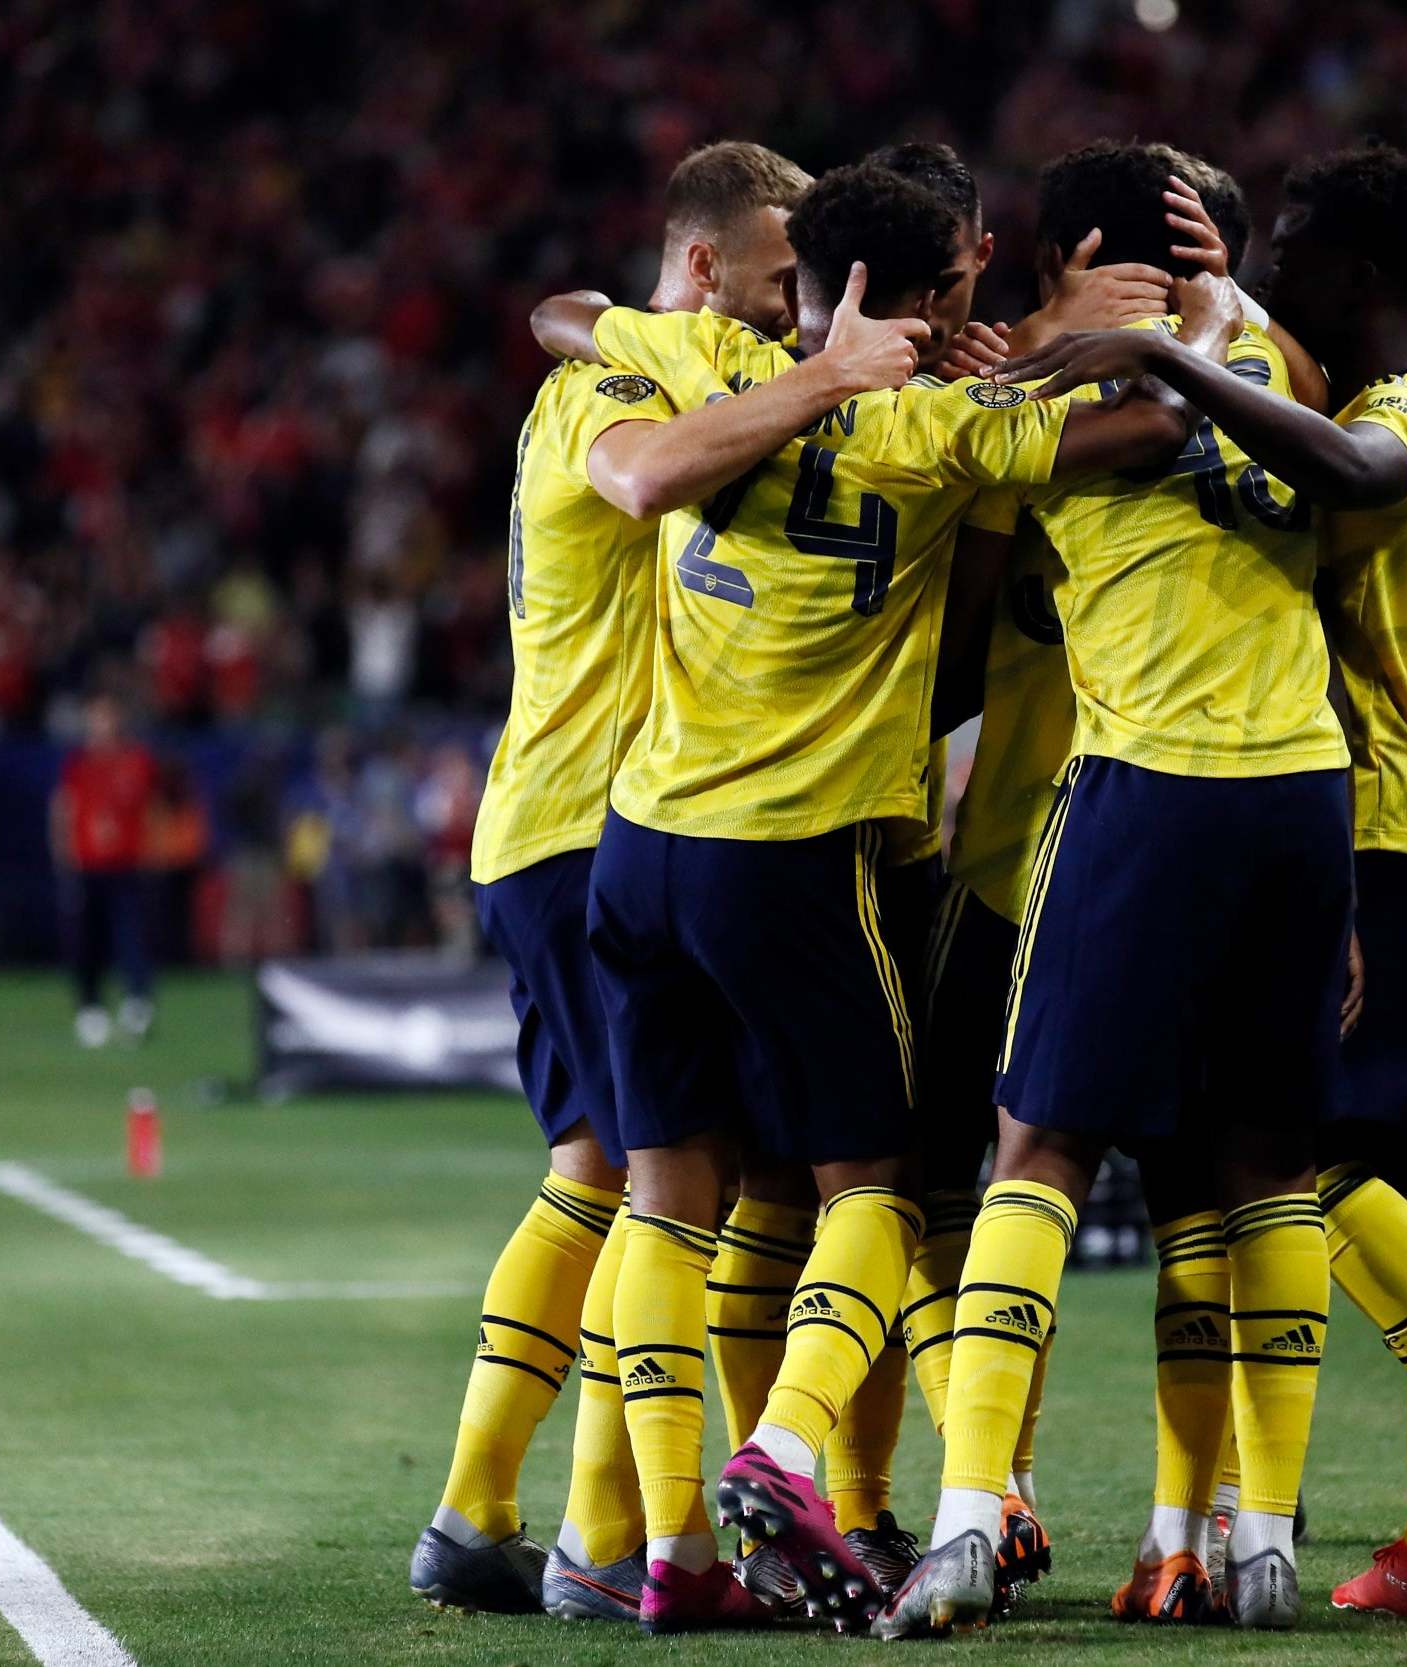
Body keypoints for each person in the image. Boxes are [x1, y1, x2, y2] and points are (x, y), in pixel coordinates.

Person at [538, 157, 1230, 1633]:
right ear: (928, 299)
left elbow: (567, 316)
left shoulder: (697, 355)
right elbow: (1154, 430)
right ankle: (788, 1446)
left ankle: (673, 1553)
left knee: (667, 1198)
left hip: (638, 842)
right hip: (792, 852)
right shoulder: (934, 433)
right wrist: (1094, 338)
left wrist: (821, 356)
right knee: (881, 1179)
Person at [995, 142, 1407, 1628]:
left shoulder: (1394, 418)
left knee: (1296, 1167)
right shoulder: (1390, 413)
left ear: (1356, 275)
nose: (1264, 265)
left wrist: (1150, 346)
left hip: (1391, 832)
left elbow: (1335, 476)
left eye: (1283, 243)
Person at [409, 138, 935, 1624]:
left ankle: (587, 1524)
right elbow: (624, 424)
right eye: (777, 282)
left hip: (606, 821)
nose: (792, 314)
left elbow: (563, 304)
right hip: (588, 820)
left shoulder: (637, 357)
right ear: (701, 269)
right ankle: (532, 1516)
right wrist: (838, 375)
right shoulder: (631, 390)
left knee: (672, 1172)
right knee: (612, 1169)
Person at [881, 139, 1352, 1635]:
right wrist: (1196, 324)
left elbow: (1056, 433)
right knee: (1259, 1169)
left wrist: (1048, 341)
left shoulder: (1049, 381)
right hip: (1300, 786)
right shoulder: (1286, 364)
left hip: (1144, 786)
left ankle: (965, 1516)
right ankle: (1254, 1536)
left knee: (1040, 1147)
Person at [51, 693, 158, 1046]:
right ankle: (90, 1008)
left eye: (105, 719)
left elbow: (149, 808)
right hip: (87, 866)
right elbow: (64, 810)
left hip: (126, 865)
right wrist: (65, 856)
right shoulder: (78, 765)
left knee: (131, 935)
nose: (98, 728)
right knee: (86, 940)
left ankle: (137, 1004)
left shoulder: (136, 761)